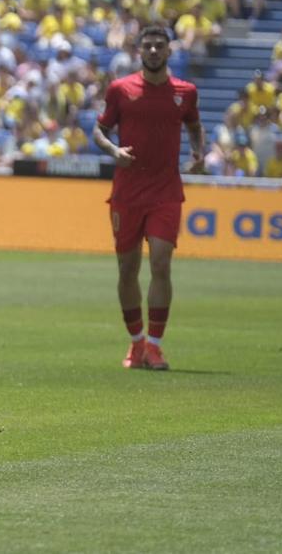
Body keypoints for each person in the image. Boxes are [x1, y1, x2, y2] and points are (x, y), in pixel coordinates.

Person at [93, 25, 205, 371]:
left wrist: (198, 153)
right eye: (148, 46)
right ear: (139, 51)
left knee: (160, 263)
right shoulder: (120, 89)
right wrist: (113, 150)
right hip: (127, 194)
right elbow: (99, 130)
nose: (154, 51)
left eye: (159, 46)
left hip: (165, 192)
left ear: (169, 51)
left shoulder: (185, 92)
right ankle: (136, 342)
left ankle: (155, 346)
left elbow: (194, 125)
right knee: (128, 270)